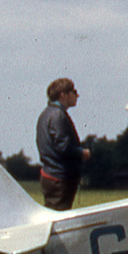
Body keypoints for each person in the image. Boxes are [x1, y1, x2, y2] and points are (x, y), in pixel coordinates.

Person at [36, 77, 90, 210]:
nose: (77, 95)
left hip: (51, 175)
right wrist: (82, 153)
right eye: (73, 91)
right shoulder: (58, 115)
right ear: (63, 95)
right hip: (60, 179)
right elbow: (63, 147)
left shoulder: (46, 114)